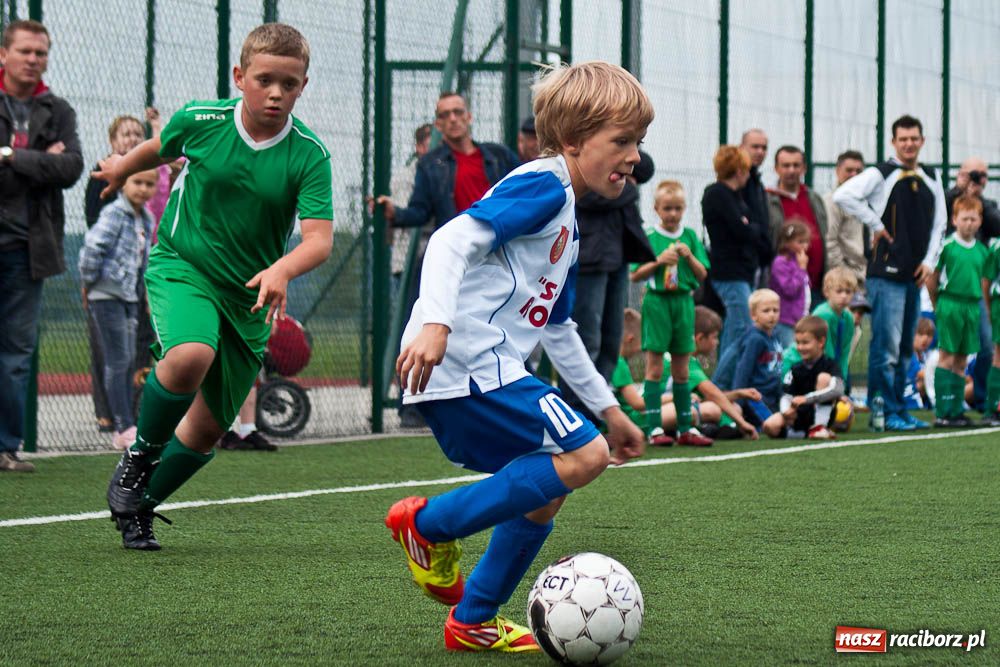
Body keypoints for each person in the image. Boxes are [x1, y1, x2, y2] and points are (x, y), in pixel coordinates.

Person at [385, 61, 649, 653]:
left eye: (638, 141)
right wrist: (435, 321)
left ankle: (472, 619)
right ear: (576, 141)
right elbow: (452, 238)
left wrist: (611, 409)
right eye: (623, 141)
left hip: (479, 367)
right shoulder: (545, 185)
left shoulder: (568, 218)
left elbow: (558, 329)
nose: (634, 156)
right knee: (584, 457)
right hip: (465, 361)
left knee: (550, 483)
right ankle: (425, 526)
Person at [99, 23, 334, 549]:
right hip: (184, 266)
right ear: (240, 77)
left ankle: (139, 506)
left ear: (303, 86)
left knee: (207, 430)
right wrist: (119, 168)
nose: (276, 93)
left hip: (250, 298)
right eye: (264, 79)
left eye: (289, 84)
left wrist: (282, 270)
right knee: (189, 355)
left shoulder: (309, 153)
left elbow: (319, 240)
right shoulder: (202, 119)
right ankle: (138, 458)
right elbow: (158, 149)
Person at [0, 20, 84, 473]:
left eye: (42, 53)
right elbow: (52, 167)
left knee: (15, 353)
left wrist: (10, 156)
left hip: (28, 249)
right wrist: (40, 161)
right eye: (26, 51)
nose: (34, 59)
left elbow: (71, 168)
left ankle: (5, 448)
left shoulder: (58, 110)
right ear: (3, 54)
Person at [833, 115, 946, 431]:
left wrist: (930, 263)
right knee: (886, 345)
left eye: (914, 138)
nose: (909, 144)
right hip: (885, 274)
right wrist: (876, 224)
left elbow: (940, 224)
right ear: (894, 142)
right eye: (903, 139)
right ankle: (885, 412)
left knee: (906, 347)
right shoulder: (881, 173)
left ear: (922, 141)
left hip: (914, 275)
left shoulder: (932, 177)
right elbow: (844, 195)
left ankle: (899, 409)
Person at [562, 150, 655, 423]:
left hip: (618, 256)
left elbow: (645, 167)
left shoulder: (619, 149)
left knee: (610, 344)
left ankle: (595, 416)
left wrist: (622, 173)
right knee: (586, 340)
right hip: (589, 258)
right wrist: (626, 187)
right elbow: (593, 196)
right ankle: (575, 417)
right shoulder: (580, 154)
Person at [82, 112, 154, 433]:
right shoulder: (101, 176)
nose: (132, 139)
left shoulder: (147, 193)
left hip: (133, 285)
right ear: (113, 140)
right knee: (107, 350)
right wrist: (89, 281)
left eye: (138, 134)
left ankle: (133, 410)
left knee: (137, 347)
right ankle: (108, 414)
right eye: (126, 134)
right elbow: (93, 235)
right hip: (106, 284)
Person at [630, 179, 712, 446]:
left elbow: (702, 274)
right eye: (667, 208)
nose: (672, 214)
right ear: (656, 208)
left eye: (677, 208)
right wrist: (658, 262)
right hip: (657, 302)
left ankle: (685, 428)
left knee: (682, 369)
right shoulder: (649, 237)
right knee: (654, 368)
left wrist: (689, 257)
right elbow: (635, 274)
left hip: (683, 303)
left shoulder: (689, 236)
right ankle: (655, 429)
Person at [928, 195, 987, 427]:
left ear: (980, 221)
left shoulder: (982, 250)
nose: (969, 223)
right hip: (951, 304)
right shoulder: (947, 247)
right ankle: (942, 410)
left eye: (973, 219)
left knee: (962, 360)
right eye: (965, 219)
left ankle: (956, 410)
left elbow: (983, 281)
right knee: (947, 357)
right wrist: (938, 304)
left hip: (972, 307)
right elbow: (932, 278)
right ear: (954, 220)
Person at [661, 306, 759, 440]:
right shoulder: (685, 360)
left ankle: (709, 429)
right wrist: (742, 423)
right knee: (711, 409)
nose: (717, 342)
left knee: (734, 407)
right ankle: (695, 430)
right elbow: (713, 394)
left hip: (668, 407)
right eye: (715, 337)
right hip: (658, 412)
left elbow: (707, 396)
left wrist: (738, 394)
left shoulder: (687, 357)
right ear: (700, 338)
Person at [702, 145, 754, 378]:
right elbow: (741, 230)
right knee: (741, 327)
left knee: (736, 327)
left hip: (740, 271)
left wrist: (747, 226)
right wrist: (747, 226)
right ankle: (721, 384)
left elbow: (749, 227)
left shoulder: (735, 196)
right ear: (740, 170)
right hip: (728, 272)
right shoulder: (717, 193)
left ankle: (728, 382)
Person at [762, 316, 844, 439]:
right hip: (799, 414)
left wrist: (807, 399)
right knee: (769, 426)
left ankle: (819, 427)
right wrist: (786, 412)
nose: (800, 347)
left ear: (821, 342)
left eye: (805, 343)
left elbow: (838, 389)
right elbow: (786, 395)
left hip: (819, 414)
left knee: (824, 378)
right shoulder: (795, 368)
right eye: (798, 342)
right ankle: (801, 433)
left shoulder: (830, 365)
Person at [767, 145, 828, 305]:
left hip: (817, 286)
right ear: (776, 168)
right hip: (785, 288)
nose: (791, 170)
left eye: (796, 165)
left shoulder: (814, 197)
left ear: (804, 168)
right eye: (786, 165)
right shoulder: (768, 199)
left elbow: (825, 234)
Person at [783, 267, 859, 381]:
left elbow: (845, 353)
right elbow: (825, 351)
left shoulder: (848, 318)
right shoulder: (824, 314)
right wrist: (834, 379)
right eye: (839, 291)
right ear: (827, 292)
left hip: (821, 366)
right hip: (797, 361)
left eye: (848, 292)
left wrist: (840, 380)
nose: (844, 296)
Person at [731, 289, 784, 429]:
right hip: (756, 397)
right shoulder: (754, 339)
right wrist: (738, 403)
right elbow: (743, 371)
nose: (772, 315)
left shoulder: (775, 337)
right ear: (753, 315)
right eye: (766, 311)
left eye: (775, 310)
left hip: (773, 395)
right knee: (773, 426)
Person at [824, 150, 867, 288]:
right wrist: (845, 275)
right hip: (847, 280)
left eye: (858, 171)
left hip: (867, 276)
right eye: (849, 170)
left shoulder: (867, 201)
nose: (854, 175)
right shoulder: (833, 202)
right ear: (838, 171)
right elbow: (829, 242)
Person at [739, 128, 775, 283]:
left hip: (759, 260)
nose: (760, 152)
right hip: (744, 262)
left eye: (764, 148)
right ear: (742, 147)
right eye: (755, 147)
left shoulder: (756, 181)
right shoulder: (737, 181)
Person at [769, 221, 811, 348]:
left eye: (806, 242)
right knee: (786, 353)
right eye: (800, 242)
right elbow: (790, 289)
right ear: (787, 242)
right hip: (785, 320)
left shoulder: (798, 260)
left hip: (799, 318)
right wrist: (802, 269)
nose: (804, 246)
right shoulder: (781, 262)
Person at [905, 317, 936, 411]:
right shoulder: (908, 354)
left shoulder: (926, 354)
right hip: (907, 394)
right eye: (920, 334)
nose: (925, 338)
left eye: (929, 335)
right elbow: (921, 374)